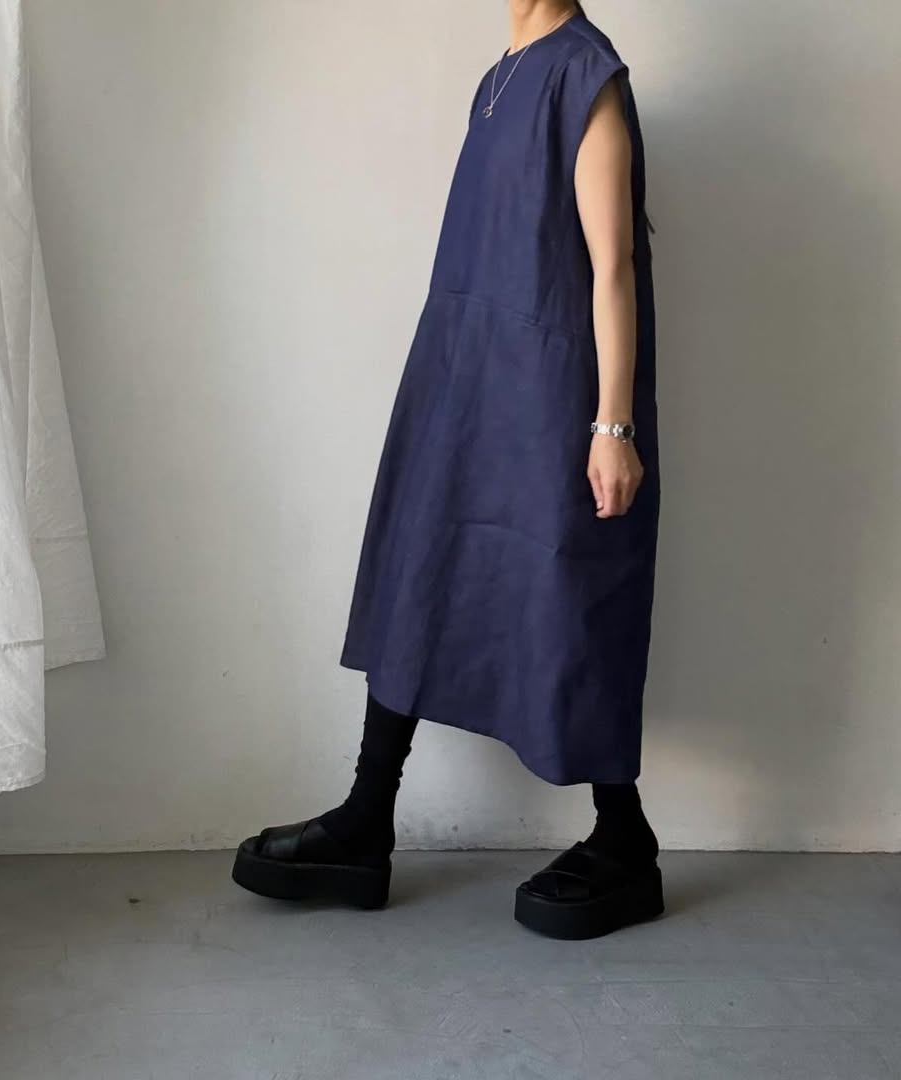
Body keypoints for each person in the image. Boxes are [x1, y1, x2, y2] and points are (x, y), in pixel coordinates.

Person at [232, 0, 662, 940]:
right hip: (465, 379)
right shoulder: (498, 76)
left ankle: (625, 837)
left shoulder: (586, 74)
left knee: (568, 593)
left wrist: (613, 424)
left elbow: (612, 266)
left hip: (551, 393)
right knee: (419, 568)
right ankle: (366, 820)